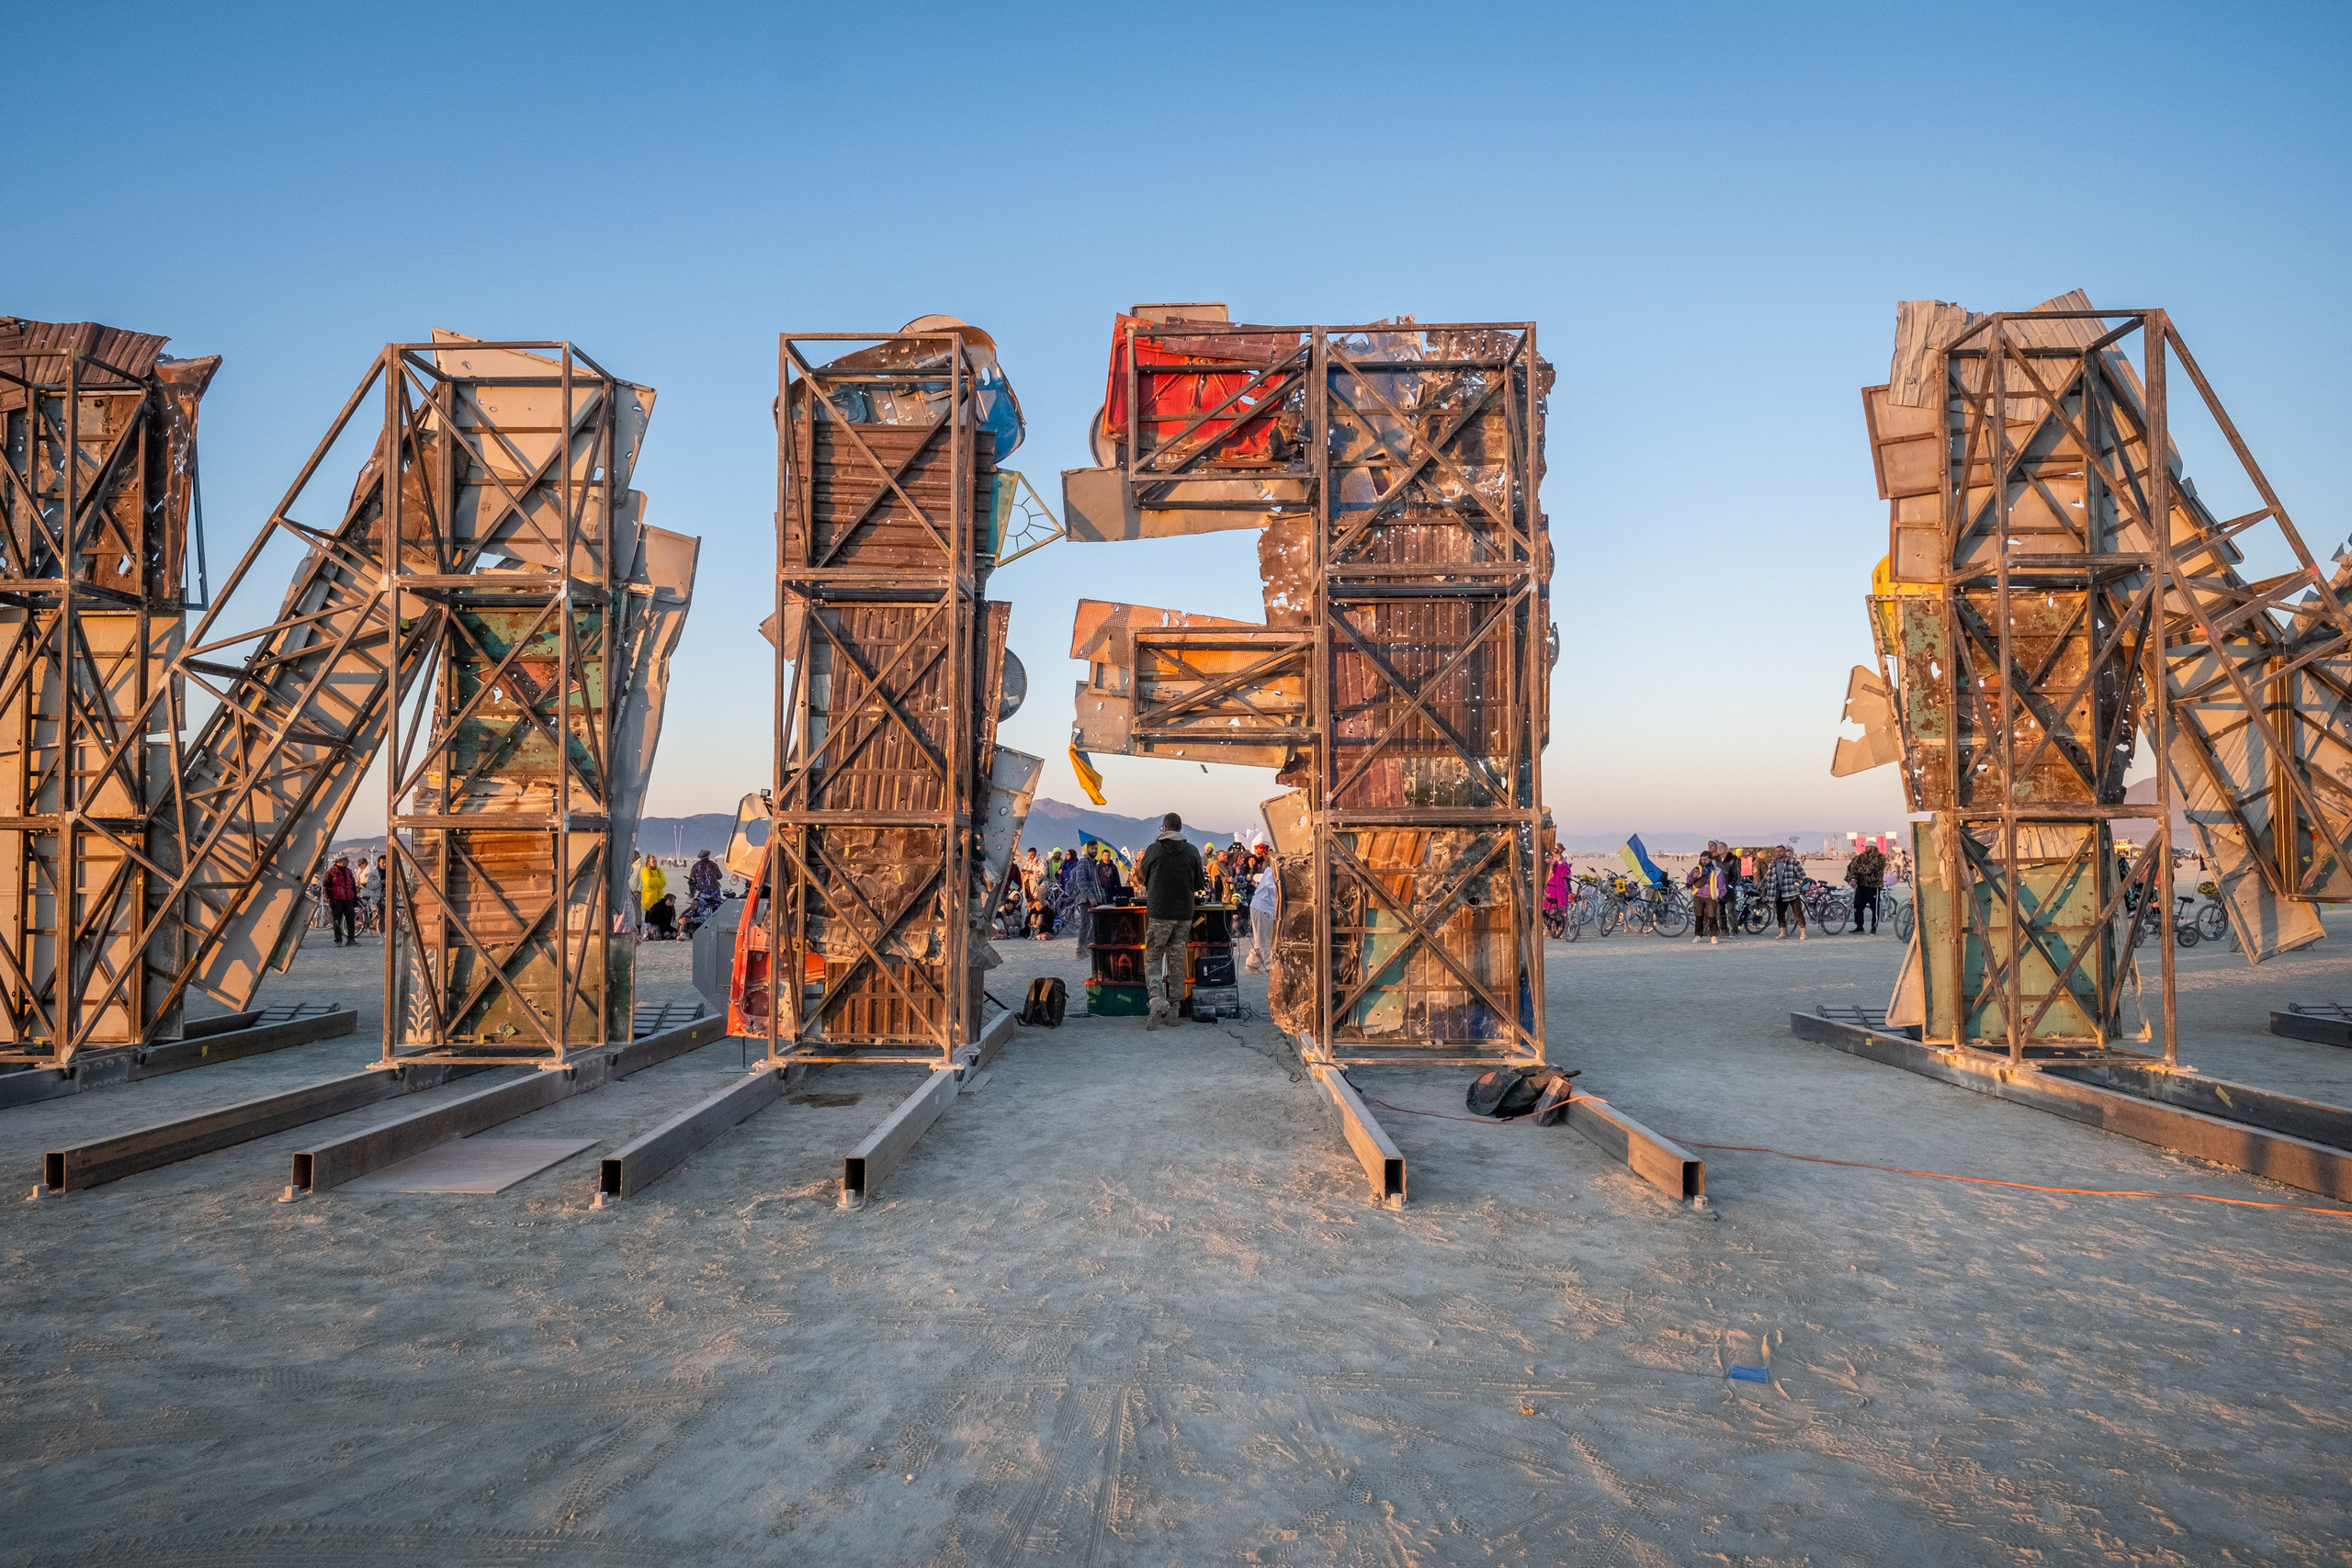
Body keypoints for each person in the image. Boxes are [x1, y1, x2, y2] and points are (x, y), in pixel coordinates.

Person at [1138, 813, 1204, 1029]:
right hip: (1184, 913)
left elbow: (1141, 877)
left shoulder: (1153, 850)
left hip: (1159, 912)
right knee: (1176, 961)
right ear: (1180, 827)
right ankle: (1174, 1010)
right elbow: (1198, 884)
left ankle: (1156, 999)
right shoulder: (1192, 851)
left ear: (1165, 827)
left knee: (1154, 957)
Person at [1245, 850, 1278, 972]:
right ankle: (1271, 967)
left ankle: (1252, 964)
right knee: (1267, 939)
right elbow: (1273, 887)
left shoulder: (1268, 872)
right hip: (1263, 908)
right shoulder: (1271, 872)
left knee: (1261, 938)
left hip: (1258, 907)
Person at [1763, 847, 1806, 940]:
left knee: (1798, 912)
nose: (1778, 853)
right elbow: (1768, 877)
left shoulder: (1792, 862)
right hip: (1780, 892)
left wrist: (1796, 883)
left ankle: (1803, 931)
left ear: (1784, 852)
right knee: (1780, 913)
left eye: (1780, 851)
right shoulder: (1773, 864)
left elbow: (1802, 873)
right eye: (1776, 851)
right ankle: (1782, 932)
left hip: (1792, 892)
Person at [1067, 843, 1102, 953]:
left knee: (1096, 923)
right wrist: (1089, 896)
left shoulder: (1093, 864)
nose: (1094, 851)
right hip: (1085, 899)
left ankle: (1087, 946)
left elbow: (1096, 884)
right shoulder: (1083, 862)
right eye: (1092, 849)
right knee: (1085, 924)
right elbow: (1080, 882)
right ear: (1087, 850)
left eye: (1096, 849)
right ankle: (1081, 949)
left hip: (1094, 899)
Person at [1846, 840, 1885, 934]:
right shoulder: (1861, 856)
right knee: (1857, 906)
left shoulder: (1880, 857)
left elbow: (1870, 869)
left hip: (1874, 886)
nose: (1866, 848)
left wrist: (1859, 868)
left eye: (1868, 846)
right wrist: (1853, 879)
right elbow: (1852, 868)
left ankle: (1873, 928)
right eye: (1866, 847)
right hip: (1861, 885)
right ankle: (1859, 926)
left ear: (1873, 847)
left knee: (1874, 908)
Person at [323, 854, 360, 946]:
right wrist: (329, 899)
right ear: (338, 861)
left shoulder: (349, 872)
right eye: (345, 860)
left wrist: (355, 898)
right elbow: (326, 886)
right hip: (336, 900)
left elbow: (352, 886)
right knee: (337, 921)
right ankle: (338, 939)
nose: (347, 861)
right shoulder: (331, 872)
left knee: (351, 920)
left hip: (348, 899)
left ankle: (351, 939)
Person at [687, 850, 722, 923]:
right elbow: (720, 876)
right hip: (714, 893)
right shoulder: (713, 865)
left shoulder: (695, 866)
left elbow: (692, 881)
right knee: (715, 911)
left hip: (701, 893)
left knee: (700, 911)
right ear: (708, 856)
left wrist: (691, 892)